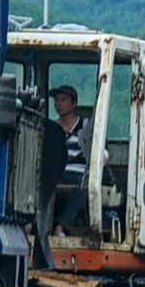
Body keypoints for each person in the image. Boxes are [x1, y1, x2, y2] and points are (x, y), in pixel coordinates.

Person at [48, 85, 93, 233]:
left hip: (80, 175)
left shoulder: (86, 127)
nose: (58, 104)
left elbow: (102, 150)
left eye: (63, 100)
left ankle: (61, 227)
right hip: (58, 173)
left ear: (74, 104)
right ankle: (33, 224)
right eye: (56, 100)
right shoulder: (53, 128)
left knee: (84, 186)